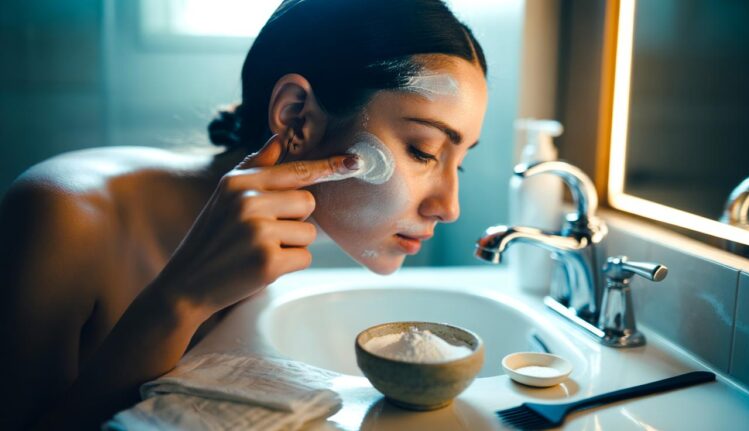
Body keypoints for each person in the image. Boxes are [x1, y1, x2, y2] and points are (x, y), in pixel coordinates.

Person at [0, 0, 488, 428]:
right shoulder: (61, 216)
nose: (449, 207)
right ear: (297, 115)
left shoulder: (269, 242)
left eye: (459, 163)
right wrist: (182, 297)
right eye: (423, 151)